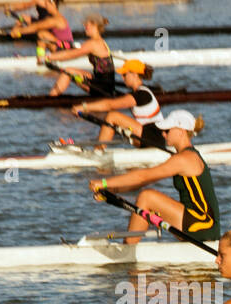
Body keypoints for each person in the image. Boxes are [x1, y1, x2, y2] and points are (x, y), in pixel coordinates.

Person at [91, 109, 220, 243]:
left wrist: (104, 182)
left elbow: (143, 176)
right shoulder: (186, 156)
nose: (163, 134)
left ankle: (127, 250)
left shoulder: (185, 158)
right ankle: (129, 247)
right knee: (146, 198)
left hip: (203, 223)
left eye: (167, 130)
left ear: (181, 132)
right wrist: (110, 191)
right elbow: (141, 182)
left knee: (146, 197)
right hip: (198, 221)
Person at [72, 60, 172, 150]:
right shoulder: (138, 92)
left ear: (135, 74)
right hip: (148, 135)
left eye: (124, 74)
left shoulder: (142, 94)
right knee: (114, 123)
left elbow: (110, 105)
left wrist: (84, 107)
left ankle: (98, 151)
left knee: (112, 116)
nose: (122, 77)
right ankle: (99, 149)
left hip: (154, 136)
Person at [42, 15, 113, 98]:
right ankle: (52, 97)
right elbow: (78, 50)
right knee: (71, 70)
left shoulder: (93, 43)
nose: (85, 27)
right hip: (103, 81)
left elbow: (71, 54)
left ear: (95, 26)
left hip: (102, 87)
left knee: (68, 72)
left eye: (87, 25)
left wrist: (49, 57)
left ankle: (51, 98)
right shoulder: (100, 41)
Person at [7, 0, 73, 53]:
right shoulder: (56, 17)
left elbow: (36, 27)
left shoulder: (56, 20)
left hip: (65, 49)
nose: (46, 6)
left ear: (53, 6)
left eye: (47, 5)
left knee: (42, 34)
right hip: (60, 46)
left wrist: (20, 31)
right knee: (42, 35)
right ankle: (41, 59)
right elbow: (36, 26)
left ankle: (41, 60)